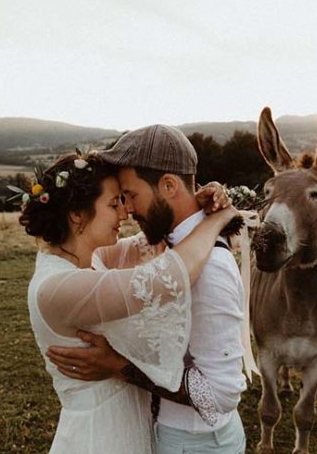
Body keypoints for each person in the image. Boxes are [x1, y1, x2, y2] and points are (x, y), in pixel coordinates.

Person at [47, 125, 248, 454]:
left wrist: (120, 367)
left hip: (197, 445)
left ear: (168, 185)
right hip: (173, 436)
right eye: (121, 200)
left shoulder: (211, 267)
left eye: (132, 195)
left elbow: (220, 395)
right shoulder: (170, 244)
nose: (127, 209)